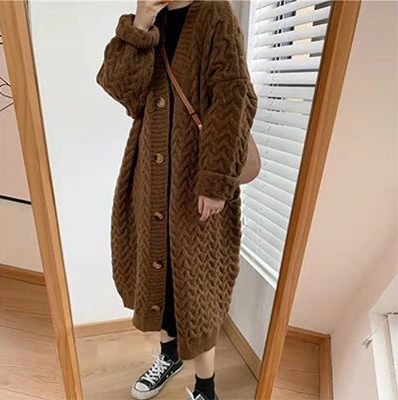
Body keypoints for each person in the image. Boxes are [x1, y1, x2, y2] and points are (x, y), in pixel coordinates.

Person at [96, 1, 258, 399]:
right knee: (159, 280)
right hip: (149, 180)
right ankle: (169, 357)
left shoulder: (215, 13)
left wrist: (216, 181)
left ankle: (206, 388)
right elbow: (123, 92)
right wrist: (140, 25)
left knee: (197, 291)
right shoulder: (151, 20)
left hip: (198, 182)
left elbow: (233, 96)